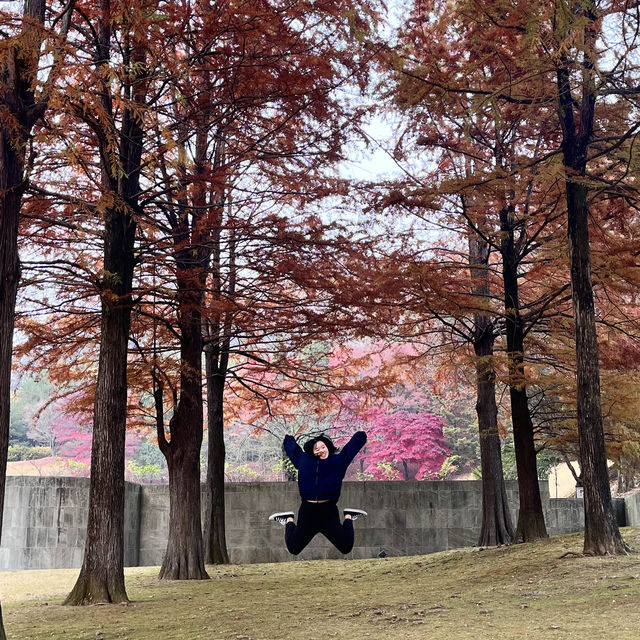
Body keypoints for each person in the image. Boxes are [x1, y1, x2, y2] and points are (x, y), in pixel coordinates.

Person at [269, 431, 368, 555]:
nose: (320, 450)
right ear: (312, 451)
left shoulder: (338, 461)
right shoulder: (304, 460)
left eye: (323, 447)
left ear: (328, 448)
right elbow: (293, 449)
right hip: (308, 511)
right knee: (293, 548)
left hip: (328, 511)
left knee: (346, 547)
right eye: (316, 448)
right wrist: (288, 437)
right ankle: (289, 519)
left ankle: (348, 516)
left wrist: (361, 434)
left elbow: (350, 449)